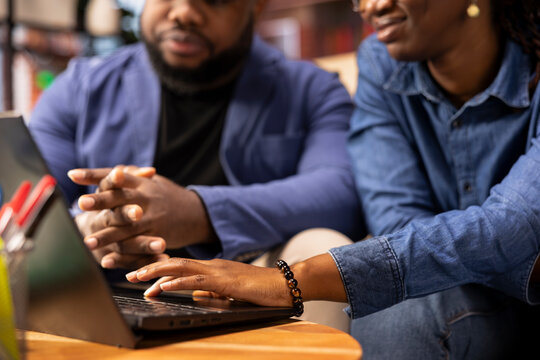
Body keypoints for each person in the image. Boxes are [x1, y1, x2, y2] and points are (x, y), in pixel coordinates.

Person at [126, 0, 540, 358]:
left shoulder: (310, 87)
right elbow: (396, 220)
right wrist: (514, 257)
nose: (373, 7)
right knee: (392, 308)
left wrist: (292, 279)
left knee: (393, 307)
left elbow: (518, 221)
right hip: (468, 303)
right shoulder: (381, 60)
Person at [28, 0, 364, 331]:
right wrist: (90, 230)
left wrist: (199, 213)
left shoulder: (312, 90)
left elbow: (341, 194)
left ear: (257, 6)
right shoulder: (79, 88)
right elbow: (23, 201)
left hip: (254, 283)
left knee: (323, 245)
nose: (184, 12)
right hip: (106, 285)